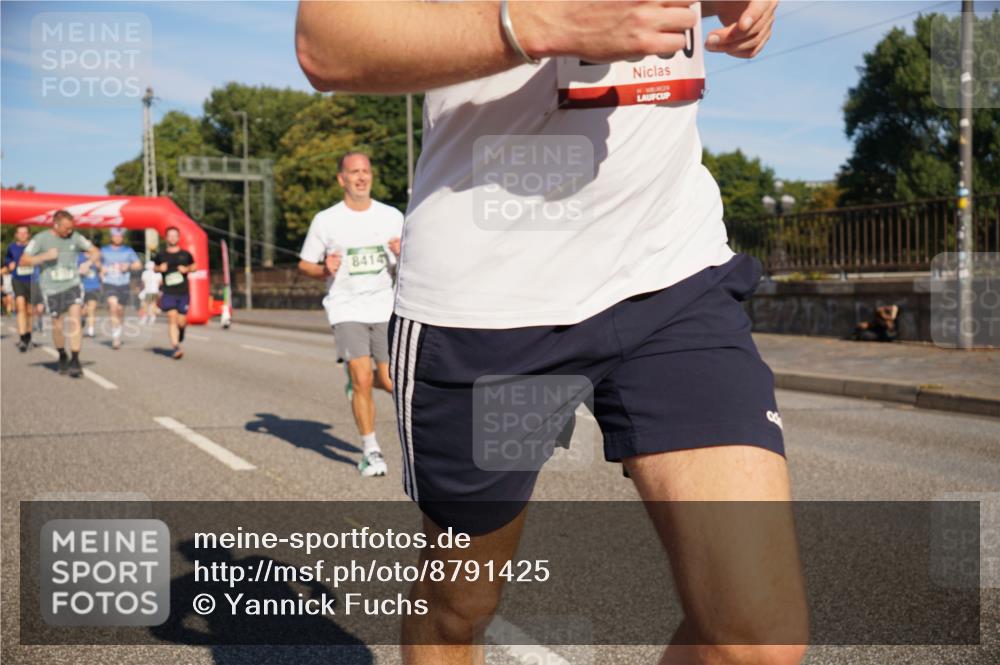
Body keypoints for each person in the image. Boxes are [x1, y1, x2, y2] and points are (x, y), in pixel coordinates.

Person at [297, 2, 807, 665]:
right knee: (461, 607)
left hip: (669, 266)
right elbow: (327, 43)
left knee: (756, 638)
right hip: (489, 300)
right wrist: (540, 24)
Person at [298, 152, 403, 478]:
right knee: (361, 378)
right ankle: (371, 451)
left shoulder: (392, 216)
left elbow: (414, 265)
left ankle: (363, 386)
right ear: (341, 178)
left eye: (366, 171)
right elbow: (305, 264)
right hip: (346, 308)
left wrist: (404, 254)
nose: (361, 177)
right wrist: (322, 269)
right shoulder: (327, 220)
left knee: (388, 381)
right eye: (354, 172)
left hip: (385, 307)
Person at [19, 210, 100, 377]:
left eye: (71, 228)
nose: (69, 231)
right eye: (67, 228)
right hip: (51, 288)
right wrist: (44, 256)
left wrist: (89, 263)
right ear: (55, 225)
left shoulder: (75, 237)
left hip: (72, 284)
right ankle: (62, 354)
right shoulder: (41, 239)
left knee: (75, 319)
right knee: (57, 325)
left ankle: (76, 359)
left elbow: (95, 251)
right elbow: (24, 260)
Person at [153, 226, 195, 359]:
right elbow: (154, 268)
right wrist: (160, 268)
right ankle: (176, 347)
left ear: (178, 237)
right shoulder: (161, 255)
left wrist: (187, 268)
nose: (172, 238)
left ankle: (181, 331)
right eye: (169, 235)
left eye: (174, 235)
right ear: (166, 238)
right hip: (168, 292)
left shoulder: (185, 254)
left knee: (181, 321)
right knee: (171, 317)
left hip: (183, 292)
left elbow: (195, 266)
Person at [100, 228, 142, 349]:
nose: (117, 238)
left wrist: (128, 266)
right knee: (113, 307)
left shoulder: (128, 251)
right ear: (111, 237)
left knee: (120, 310)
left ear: (122, 237)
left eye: (120, 236)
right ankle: (115, 337)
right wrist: (101, 269)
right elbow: (97, 263)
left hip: (123, 283)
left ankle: (118, 330)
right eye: (115, 236)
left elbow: (138, 264)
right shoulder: (104, 250)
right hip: (109, 282)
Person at [5, 225, 36, 351]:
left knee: (30, 311)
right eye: (20, 233)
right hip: (18, 279)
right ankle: (22, 338)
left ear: (28, 234)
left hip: (32, 280)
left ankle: (28, 335)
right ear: (16, 235)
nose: (22, 235)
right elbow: (8, 259)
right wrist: (9, 264)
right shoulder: (11, 247)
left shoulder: (34, 246)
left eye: (25, 233)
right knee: (20, 305)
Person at [78, 249, 102, 338]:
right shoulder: (79, 256)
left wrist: (95, 262)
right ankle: (82, 321)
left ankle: (90, 331)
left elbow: (101, 268)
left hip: (94, 286)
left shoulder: (96, 256)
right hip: (82, 287)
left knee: (92, 308)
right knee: (83, 311)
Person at [138, 260, 163, 325]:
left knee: (146, 304)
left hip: (148, 291)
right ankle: (152, 317)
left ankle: (147, 317)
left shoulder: (145, 273)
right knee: (153, 304)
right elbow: (160, 282)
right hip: (155, 291)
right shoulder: (158, 273)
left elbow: (143, 283)